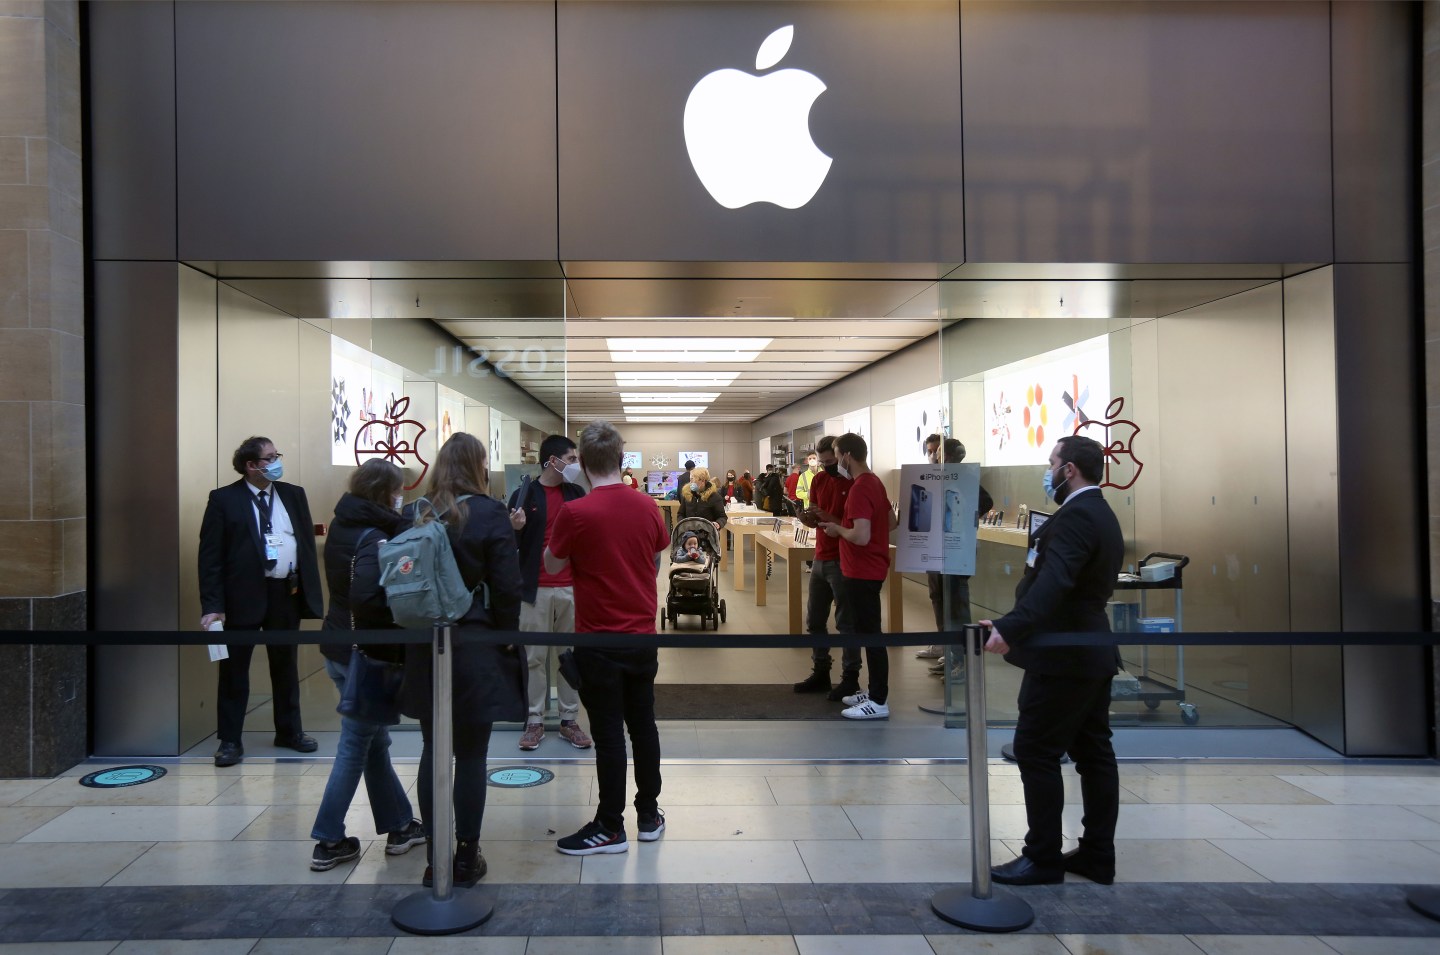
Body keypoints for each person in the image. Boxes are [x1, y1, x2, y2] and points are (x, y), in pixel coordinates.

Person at [980, 434, 1124, 887]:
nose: (1048, 470)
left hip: (1065, 656)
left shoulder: (1078, 516)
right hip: (1089, 652)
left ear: (1068, 470)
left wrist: (1011, 626)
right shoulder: (1099, 512)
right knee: (1093, 752)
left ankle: (1042, 857)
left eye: (1051, 462)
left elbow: (1054, 582)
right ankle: (1097, 854)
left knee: (1035, 750)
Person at [399, 432, 525, 889]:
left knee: (434, 750)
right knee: (472, 753)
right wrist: (508, 636)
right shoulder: (490, 513)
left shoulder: (415, 512)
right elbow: (507, 586)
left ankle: (436, 857)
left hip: (422, 640)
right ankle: (467, 857)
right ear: (478, 465)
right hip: (473, 640)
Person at [545, 420, 672, 855]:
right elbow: (655, 560)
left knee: (609, 734)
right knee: (643, 726)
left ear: (580, 463)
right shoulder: (648, 507)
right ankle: (650, 814)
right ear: (622, 460)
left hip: (598, 639)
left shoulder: (575, 513)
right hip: (642, 636)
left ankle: (610, 825)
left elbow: (554, 563)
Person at [310, 459, 426, 871]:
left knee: (375, 742)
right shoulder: (376, 536)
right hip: (365, 654)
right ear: (383, 493)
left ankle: (399, 826)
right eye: (397, 490)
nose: (402, 497)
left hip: (337, 646)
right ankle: (328, 838)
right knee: (355, 745)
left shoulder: (343, 523)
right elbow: (375, 599)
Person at [198, 436, 322, 767]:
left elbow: (306, 545)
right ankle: (230, 740)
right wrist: (212, 604)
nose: (277, 460)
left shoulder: (293, 495)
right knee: (234, 670)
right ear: (252, 466)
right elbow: (210, 557)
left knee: (285, 665)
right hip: (241, 598)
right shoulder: (224, 499)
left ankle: (289, 731)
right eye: (270, 457)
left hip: (286, 594)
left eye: (276, 454)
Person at [508, 434, 594, 753]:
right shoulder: (524, 494)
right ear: (553, 461)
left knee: (569, 656)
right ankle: (534, 720)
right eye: (570, 459)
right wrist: (514, 529)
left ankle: (569, 719)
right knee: (534, 658)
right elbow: (509, 546)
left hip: (572, 588)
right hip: (535, 589)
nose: (575, 464)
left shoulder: (577, 493)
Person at [818, 433, 898, 720]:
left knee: (870, 633)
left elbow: (860, 536)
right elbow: (890, 521)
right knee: (867, 630)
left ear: (847, 456)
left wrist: (838, 529)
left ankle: (878, 700)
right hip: (869, 568)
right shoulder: (874, 482)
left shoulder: (860, 488)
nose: (836, 461)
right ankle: (875, 689)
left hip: (861, 570)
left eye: (837, 455)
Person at [916, 434, 993, 671]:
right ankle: (947, 649)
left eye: (935, 452)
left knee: (956, 602)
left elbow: (985, 501)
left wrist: (962, 524)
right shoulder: (934, 478)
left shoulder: (964, 476)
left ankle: (961, 658)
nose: (932, 456)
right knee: (938, 597)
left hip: (956, 551)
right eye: (929, 451)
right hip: (935, 547)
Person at [794, 436, 862, 698]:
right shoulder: (819, 480)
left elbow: (853, 525)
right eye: (822, 463)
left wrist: (829, 518)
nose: (826, 467)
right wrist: (808, 517)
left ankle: (850, 677)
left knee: (846, 621)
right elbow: (815, 515)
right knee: (814, 619)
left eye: (830, 462)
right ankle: (821, 671)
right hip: (820, 555)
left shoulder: (854, 482)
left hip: (843, 558)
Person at [677, 466, 727, 531]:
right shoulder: (687, 495)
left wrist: (718, 523)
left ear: (703, 481)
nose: (691, 483)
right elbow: (680, 514)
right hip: (689, 534)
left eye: (693, 480)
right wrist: (683, 524)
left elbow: (722, 517)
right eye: (690, 479)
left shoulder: (715, 497)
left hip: (708, 535)